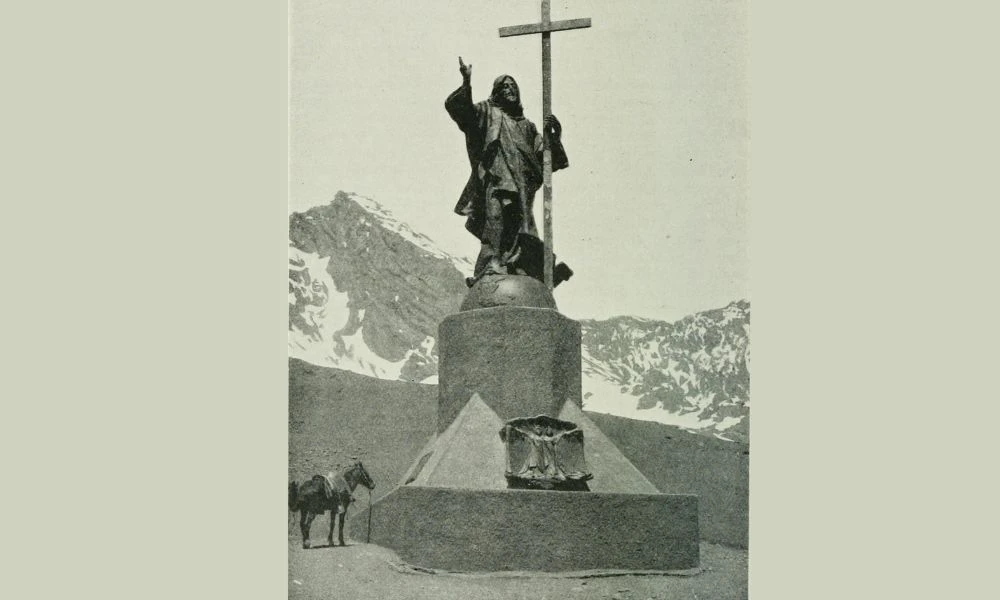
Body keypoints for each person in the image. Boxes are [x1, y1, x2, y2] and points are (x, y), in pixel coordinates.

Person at [445, 56, 572, 286]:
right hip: (497, 183)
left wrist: (554, 136)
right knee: (495, 224)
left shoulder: (528, 127)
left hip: (522, 189)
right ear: (496, 92)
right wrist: (466, 83)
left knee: (519, 232)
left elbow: (546, 160)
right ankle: (488, 269)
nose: (510, 90)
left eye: (513, 86)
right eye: (504, 87)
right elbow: (465, 115)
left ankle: (520, 268)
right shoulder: (488, 113)